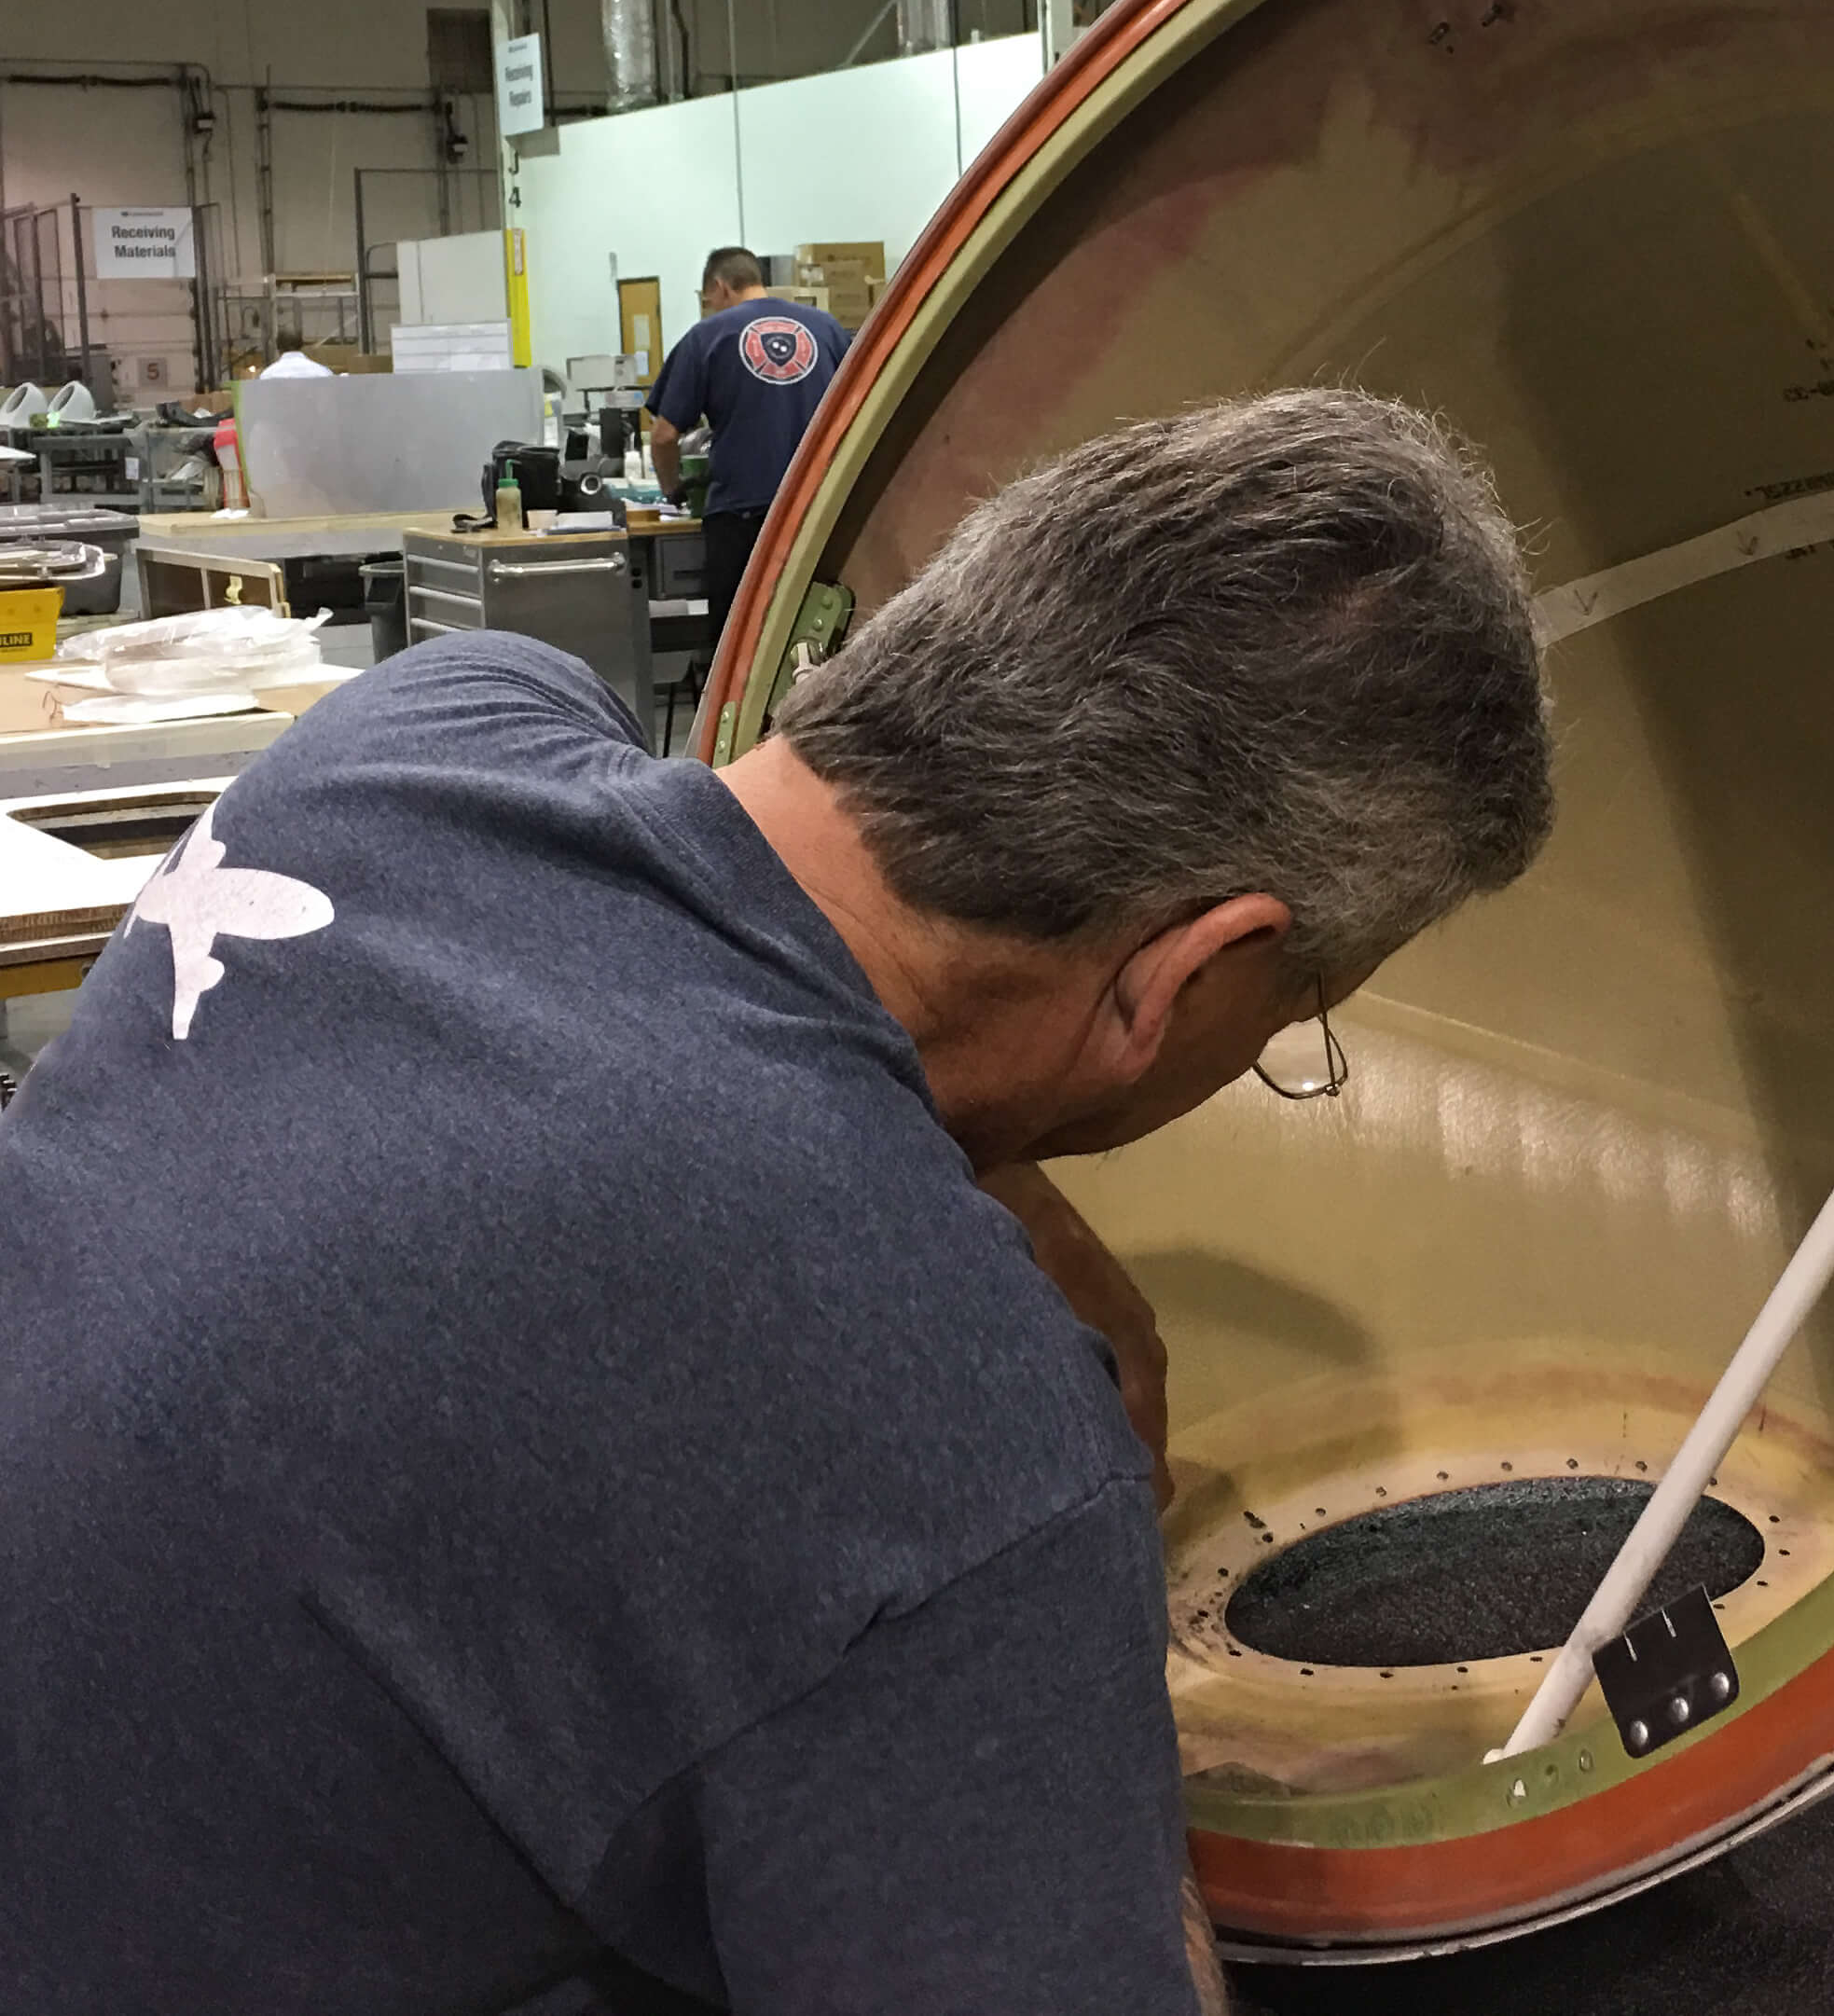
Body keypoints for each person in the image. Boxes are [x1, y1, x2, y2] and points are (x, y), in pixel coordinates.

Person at [0, 391, 1555, 2015]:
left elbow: (744, 1019)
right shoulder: (939, 1445)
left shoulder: (416, 736)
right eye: (1296, 1015)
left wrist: (984, 1197)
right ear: (1185, 970)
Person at [643, 246, 850, 647]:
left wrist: (672, 490)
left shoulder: (707, 336)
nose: (708, 310)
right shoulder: (827, 329)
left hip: (742, 519)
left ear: (720, 287)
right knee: (820, 638)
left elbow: (664, 435)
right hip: (823, 514)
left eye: (707, 301)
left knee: (739, 647)